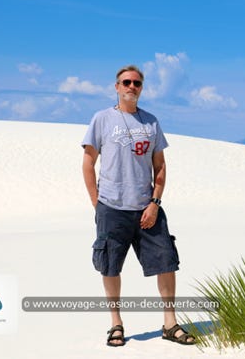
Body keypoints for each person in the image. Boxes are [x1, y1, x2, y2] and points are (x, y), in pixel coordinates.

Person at [81, 64, 195, 347]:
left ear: (142, 88)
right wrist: (97, 203)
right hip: (111, 207)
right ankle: (116, 323)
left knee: (166, 261)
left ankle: (170, 323)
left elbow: (160, 167)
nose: (132, 87)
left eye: (137, 83)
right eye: (126, 82)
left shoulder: (151, 122)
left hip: (146, 207)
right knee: (110, 265)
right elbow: (88, 163)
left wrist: (155, 203)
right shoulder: (102, 119)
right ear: (116, 86)